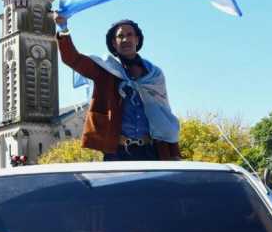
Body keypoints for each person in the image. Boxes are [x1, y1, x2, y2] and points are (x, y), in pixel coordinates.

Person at [54, 13, 181, 161]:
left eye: (130, 35)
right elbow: (72, 58)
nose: (126, 39)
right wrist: (63, 28)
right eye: (120, 36)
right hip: (117, 153)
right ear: (114, 43)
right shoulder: (105, 69)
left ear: (137, 39)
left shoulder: (154, 75)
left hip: (150, 151)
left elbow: (163, 114)